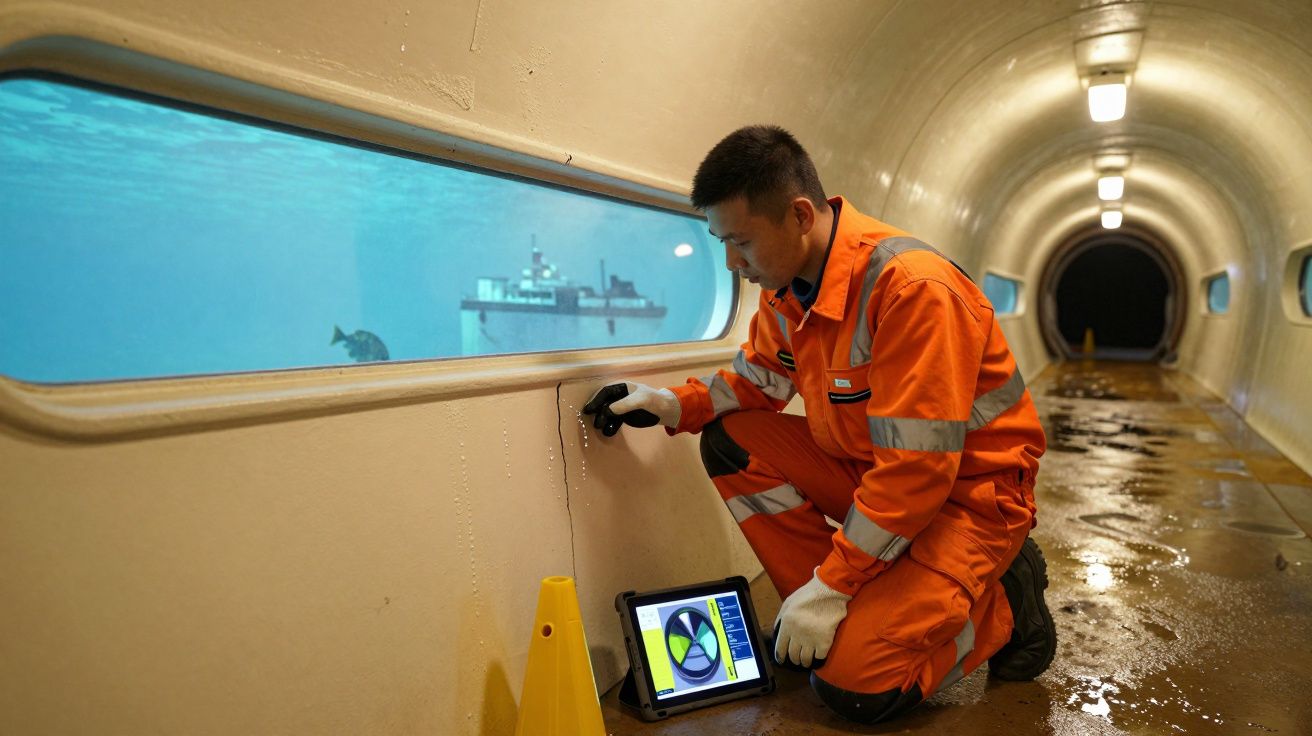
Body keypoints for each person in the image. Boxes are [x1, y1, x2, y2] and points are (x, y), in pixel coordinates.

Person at [583, 125, 1053, 724]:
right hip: (877, 476)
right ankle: (837, 614)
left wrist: (833, 585)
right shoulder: (788, 290)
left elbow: (919, 472)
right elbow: (759, 380)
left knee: (856, 688)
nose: (732, 263)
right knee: (731, 441)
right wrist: (673, 405)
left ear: (800, 215)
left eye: (742, 243)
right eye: (721, 243)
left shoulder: (913, 291)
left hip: (972, 499)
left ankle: (1007, 601)